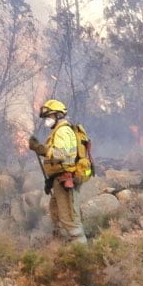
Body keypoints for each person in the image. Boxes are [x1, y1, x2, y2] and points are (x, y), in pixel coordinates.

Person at [27, 99, 93, 242]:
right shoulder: (58, 131)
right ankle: (64, 247)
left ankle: (81, 251)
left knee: (70, 219)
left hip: (66, 180)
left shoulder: (63, 131)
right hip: (59, 180)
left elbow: (60, 155)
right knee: (56, 214)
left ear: (57, 115)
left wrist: (40, 149)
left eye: (49, 117)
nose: (47, 120)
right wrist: (51, 180)